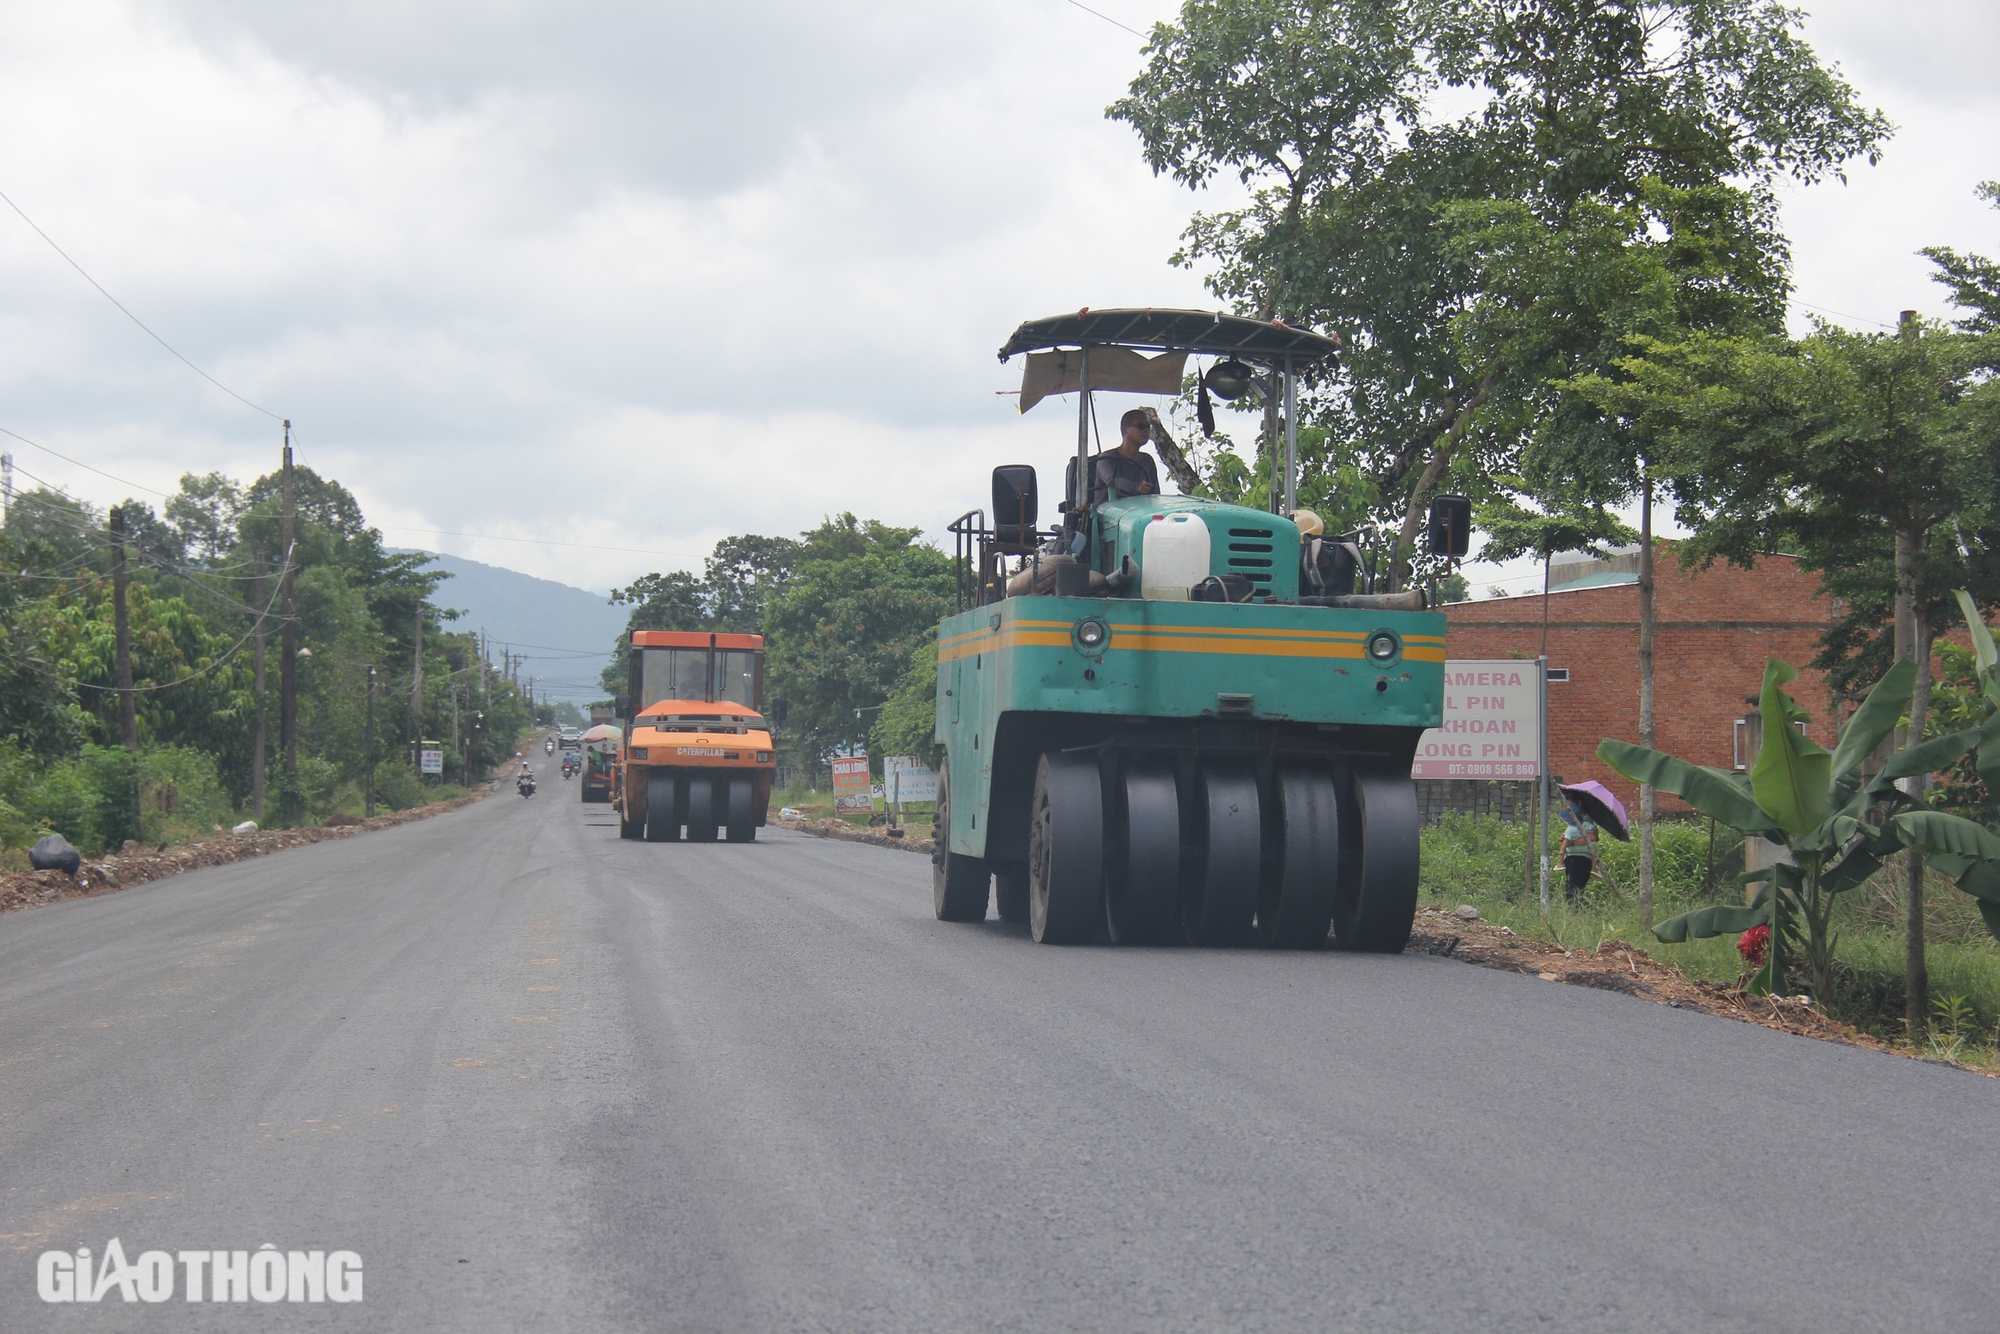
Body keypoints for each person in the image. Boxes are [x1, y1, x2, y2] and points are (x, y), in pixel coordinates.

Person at [1089, 409, 1161, 508]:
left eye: (1148, 427)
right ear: (1125, 430)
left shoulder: (1147, 460)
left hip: (1139, 516)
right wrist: (1137, 487)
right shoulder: (1106, 459)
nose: (1145, 430)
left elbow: (1155, 496)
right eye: (1140, 426)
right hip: (1107, 519)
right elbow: (1113, 481)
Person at [1559, 798, 1599, 903]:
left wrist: (1571, 843)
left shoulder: (1586, 821)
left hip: (1580, 857)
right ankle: (1575, 906)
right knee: (1574, 884)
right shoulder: (1572, 825)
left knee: (1575, 884)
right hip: (1574, 857)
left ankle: (1574, 906)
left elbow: (1592, 837)